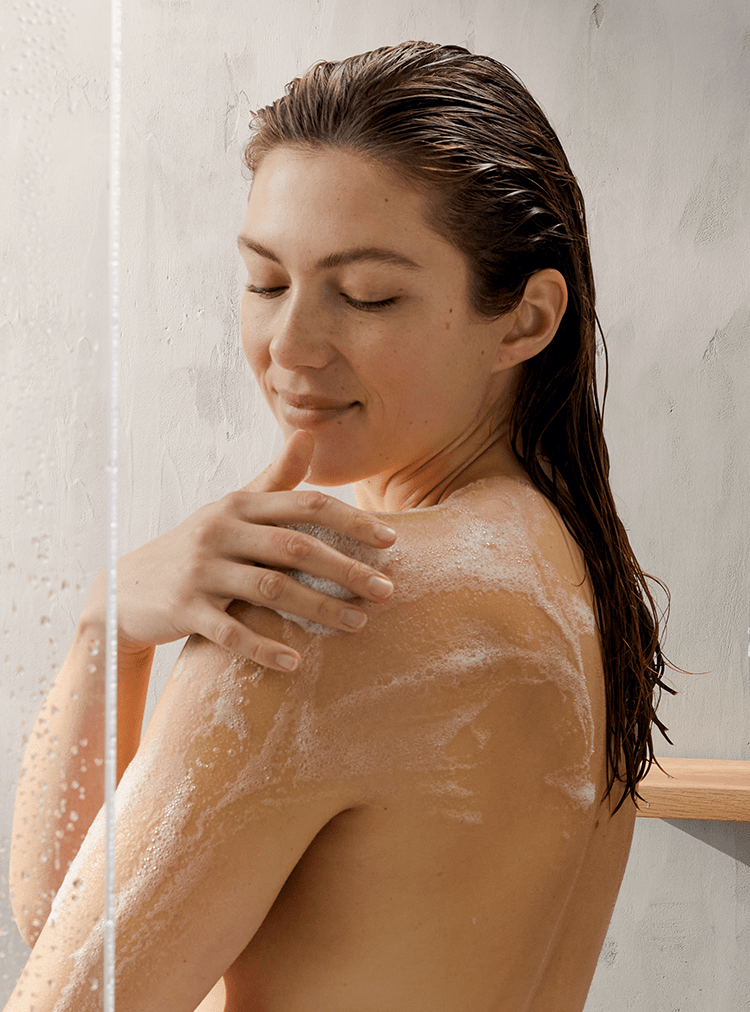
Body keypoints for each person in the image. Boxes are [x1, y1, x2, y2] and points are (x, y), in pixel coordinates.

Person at [6, 40, 679, 1012]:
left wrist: (103, 623)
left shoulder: (317, 610)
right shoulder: (583, 577)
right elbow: (79, 911)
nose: (289, 346)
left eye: (367, 294)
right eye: (268, 281)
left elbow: (69, 982)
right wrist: (111, 624)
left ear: (527, 320)